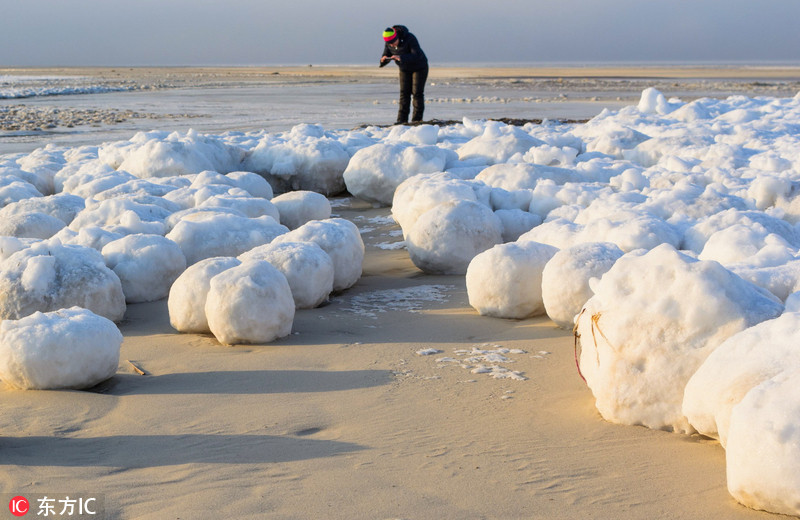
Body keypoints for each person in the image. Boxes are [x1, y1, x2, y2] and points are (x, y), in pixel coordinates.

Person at [379, 25, 428, 124]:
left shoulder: (410, 38)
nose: (391, 45)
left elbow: (416, 55)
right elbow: (387, 54)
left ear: (397, 37)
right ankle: (401, 120)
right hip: (404, 68)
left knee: (417, 93)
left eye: (393, 43)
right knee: (404, 94)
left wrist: (401, 57)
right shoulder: (389, 44)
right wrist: (383, 60)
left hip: (419, 67)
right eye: (389, 44)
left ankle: (416, 120)